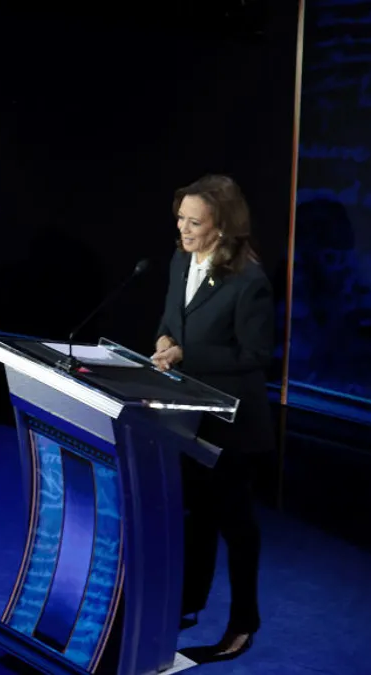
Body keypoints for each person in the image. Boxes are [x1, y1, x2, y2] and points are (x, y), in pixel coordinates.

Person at [150, 174, 273, 663]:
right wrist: (163, 340)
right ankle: (189, 602)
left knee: (235, 526)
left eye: (194, 222)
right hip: (188, 416)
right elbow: (170, 320)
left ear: (220, 227)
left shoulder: (250, 281)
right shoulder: (182, 260)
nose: (183, 228)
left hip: (233, 425)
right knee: (195, 516)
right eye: (180, 218)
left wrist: (185, 354)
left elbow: (255, 354)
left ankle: (244, 623)